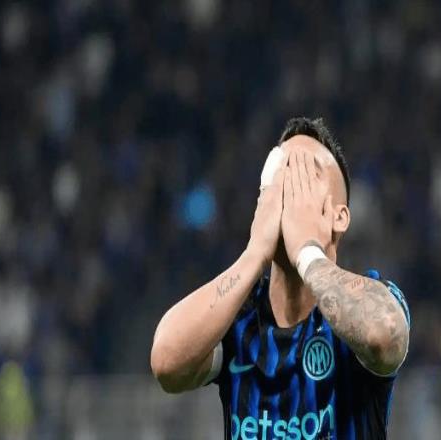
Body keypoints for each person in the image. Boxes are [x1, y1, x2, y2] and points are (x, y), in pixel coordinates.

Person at [151, 117, 410, 440]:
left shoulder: (370, 297)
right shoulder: (238, 320)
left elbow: (384, 335)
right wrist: (253, 255)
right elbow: (166, 362)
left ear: (339, 217)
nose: (290, 190)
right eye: (281, 175)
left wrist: (307, 251)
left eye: (306, 176)